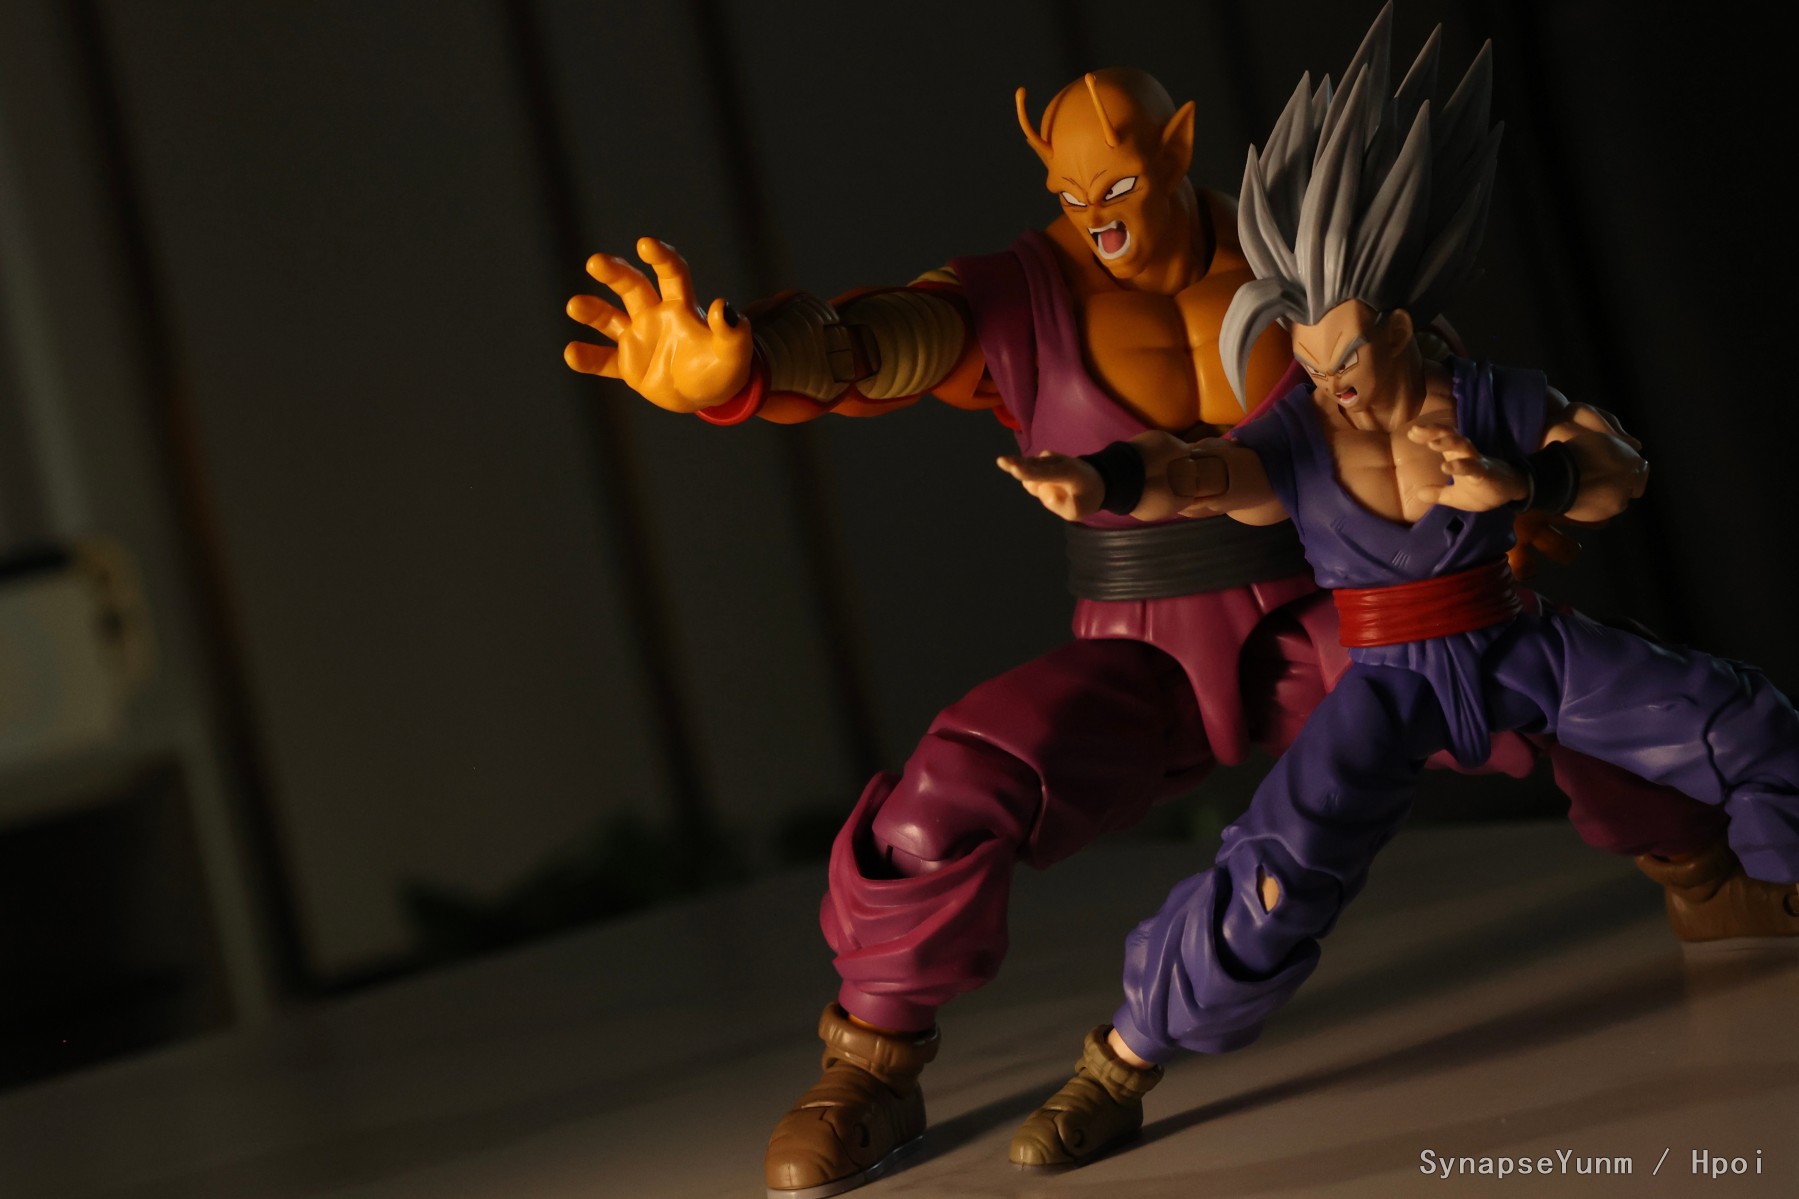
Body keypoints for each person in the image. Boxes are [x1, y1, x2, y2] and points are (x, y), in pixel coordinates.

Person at [999, 9, 1799, 1171]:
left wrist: (1527, 481)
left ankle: (1767, 881)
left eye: (1343, 355)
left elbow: (1616, 464)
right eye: (1303, 354)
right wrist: (1105, 478)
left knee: (1735, 717)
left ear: (1406, 325)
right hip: (1382, 677)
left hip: (1513, 645)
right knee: (1275, 872)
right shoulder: (1294, 425)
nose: (1323, 381)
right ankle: (1119, 1058)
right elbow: (1200, 469)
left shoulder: (1485, 397)